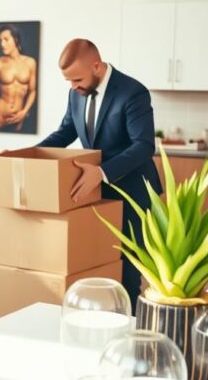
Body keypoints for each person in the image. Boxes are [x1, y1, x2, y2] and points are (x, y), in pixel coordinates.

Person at [38, 38, 160, 307]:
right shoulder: (76, 93)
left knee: (127, 268)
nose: (73, 87)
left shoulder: (133, 92)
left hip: (133, 193)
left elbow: (144, 145)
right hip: (95, 191)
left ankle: (129, 327)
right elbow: (66, 132)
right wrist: (29, 154)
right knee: (95, 260)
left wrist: (102, 172)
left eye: (77, 79)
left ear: (96, 66)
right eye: (68, 81)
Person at [0, 24, 37, 132]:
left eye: (6, 39)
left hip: (18, 120)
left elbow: (33, 91)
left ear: (15, 39)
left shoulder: (30, 63)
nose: (2, 44)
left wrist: (24, 111)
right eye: (0, 40)